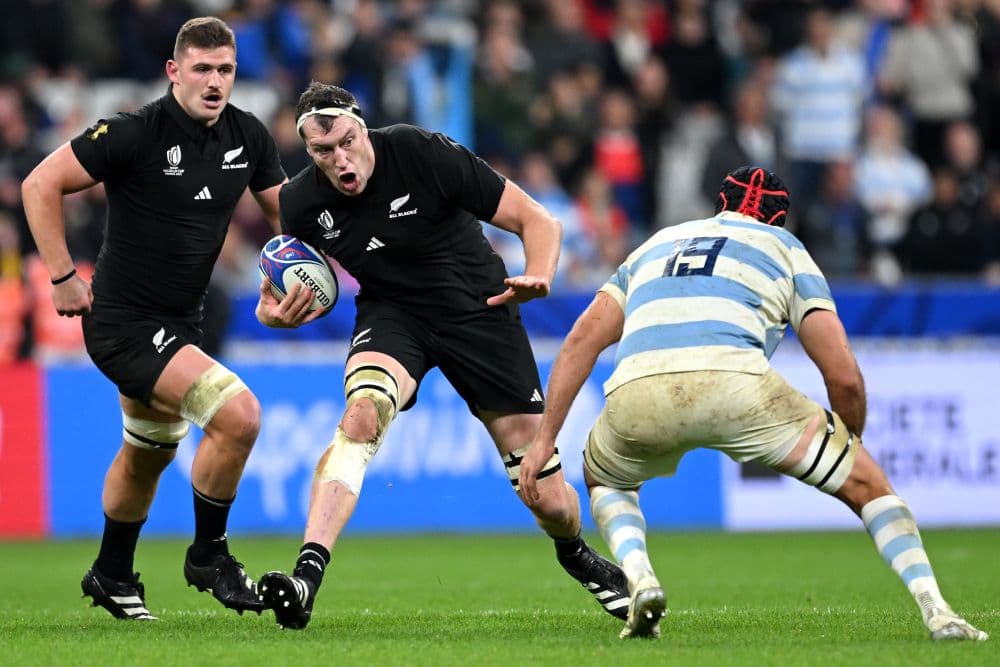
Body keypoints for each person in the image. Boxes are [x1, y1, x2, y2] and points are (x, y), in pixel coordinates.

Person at [517, 166, 990, 642]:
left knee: (607, 478)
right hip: (737, 386)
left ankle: (640, 576)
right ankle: (938, 611)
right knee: (871, 488)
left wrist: (545, 441)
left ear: (720, 204)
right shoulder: (786, 249)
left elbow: (580, 341)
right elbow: (842, 373)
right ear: (779, 218)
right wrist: (852, 445)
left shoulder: (657, 244)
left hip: (638, 391)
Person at [254, 81, 629, 629]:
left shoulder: (421, 152)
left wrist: (541, 275)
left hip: (480, 309)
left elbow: (539, 221)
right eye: (322, 152)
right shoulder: (300, 203)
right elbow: (288, 284)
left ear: (363, 128)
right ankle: (305, 578)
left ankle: (575, 552)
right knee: (362, 415)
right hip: (393, 316)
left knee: (547, 497)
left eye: (346, 142)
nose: (339, 160)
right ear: (308, 152)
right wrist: (272, 313)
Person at [21, 17, 287, 620]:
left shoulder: (247, 135)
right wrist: (63, 275)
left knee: (148, 452)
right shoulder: (134, 131)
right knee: (239, 416)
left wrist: (288, 284)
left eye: (225, 70)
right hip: (122, 322)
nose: (214, 82)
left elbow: (285, 218)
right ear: (174, 72)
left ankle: (112, 573)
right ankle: (209, 557)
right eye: (201, 69)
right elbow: (40, 183)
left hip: (180, 323)